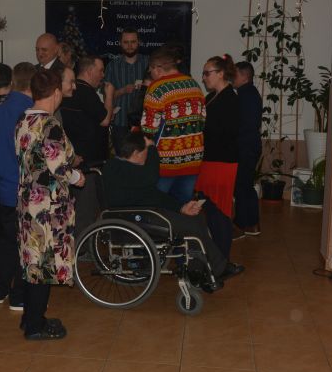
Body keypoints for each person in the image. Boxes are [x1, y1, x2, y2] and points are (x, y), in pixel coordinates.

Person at [103, 131, 243, 283]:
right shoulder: (114, 167)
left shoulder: (132, 170)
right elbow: (151, 177)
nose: (147, 157)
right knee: (191, 226)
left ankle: (198, 269)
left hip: (146, 214)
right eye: (146, 152)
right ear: (136, 153)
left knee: (196, 218)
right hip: (134, 218)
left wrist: (182, 207)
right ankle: (217, 268)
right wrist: (153, 149)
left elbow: (155, 195)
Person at [16, 68, 85, 340]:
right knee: (42, 264)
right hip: (47, 205)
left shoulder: (24, 119)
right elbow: (59, 168)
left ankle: (29, 318)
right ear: (56, 92)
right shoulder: (50, 124)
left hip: (28, 200)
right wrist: (77, 177)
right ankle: (35, 325)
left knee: (32, 260)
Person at [0, 62, 36, 310]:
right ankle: (18, 296)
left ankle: (0, 290)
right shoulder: (29, 113)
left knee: (7, 241)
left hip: (3, 187)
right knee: (23, 244)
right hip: (23, 187)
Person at [140, 48, 205, 204]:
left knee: (158, 204)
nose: (151, 74)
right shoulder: (194, 85)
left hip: (166, 160)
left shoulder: (157, 87)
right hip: (193, 157)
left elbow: (149, 128)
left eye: (150, 70)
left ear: (157, 68)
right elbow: (202, 120)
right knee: (184, 206)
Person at [195, 54, 240, 220]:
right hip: (210, 159)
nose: (203, 78)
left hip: (222, 161)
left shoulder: (230, 99)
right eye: (203, 74)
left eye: (207, 73)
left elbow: (226, 132)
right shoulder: (211, 97)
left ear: (221, 73)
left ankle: (221, 235)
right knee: (208, 205)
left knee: (219, 207)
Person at [104, 28, 149, 154]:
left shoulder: (148, 63)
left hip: (145, 122)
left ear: (139, 42)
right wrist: (122, 91)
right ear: (120, 43)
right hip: (120, 123)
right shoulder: (112, 66)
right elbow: (106, 97)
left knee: (143, 159)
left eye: (133, 42)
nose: (129, 46)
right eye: (126, 42)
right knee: (122, 160)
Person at [60, 56, 111, 166]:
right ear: (89, 71)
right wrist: (109, 95)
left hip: (74, 152)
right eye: (101, 71)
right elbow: (105, 120)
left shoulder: (69, 92)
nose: (103, 75)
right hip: (89, 158)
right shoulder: (86, 92)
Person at [233, 61, 263, 236]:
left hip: (245, 146)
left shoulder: (246, 95)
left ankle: (245, 224)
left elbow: (245, 124)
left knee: (242, 186)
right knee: (245, 185)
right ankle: (251, 223)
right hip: (249, 145)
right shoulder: (249, 93)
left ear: (245, 76)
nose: (232, 77)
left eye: (235, 74)